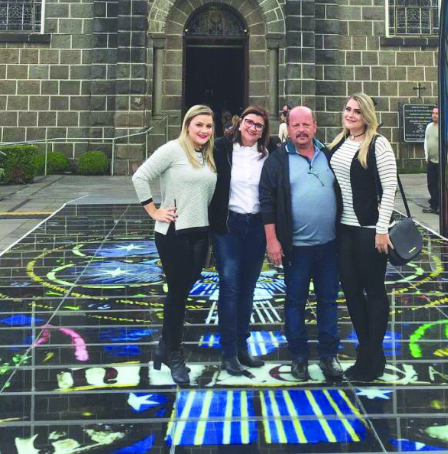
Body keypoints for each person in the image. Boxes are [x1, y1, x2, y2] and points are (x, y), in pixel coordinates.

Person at [132, 105, 217, 386]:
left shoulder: (206, 156)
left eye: (209, 126)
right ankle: (175, 354)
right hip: (173, 233)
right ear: (187, 126)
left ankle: (164, 346)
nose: (204, 130)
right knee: (178, 294)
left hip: (199, 234)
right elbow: (140, 176)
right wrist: (153, 210)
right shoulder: (172, 149)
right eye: (199, 125)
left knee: (181, 291)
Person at [259, 106, 343, 382]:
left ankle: (329, 356)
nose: (301, 130)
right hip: (296, 248)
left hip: (329, 246)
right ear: (288, 127)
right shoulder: (277, 159)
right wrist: (272, 240)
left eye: (306, 124)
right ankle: (298, 358)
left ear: (315, 126)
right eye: (296, 125)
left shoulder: (329, 155)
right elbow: (267, 201)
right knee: (295, 302)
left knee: (328, 302)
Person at [328, 93, 397, 382]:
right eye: (348, 109)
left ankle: (373, 354)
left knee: (375, 291)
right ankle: (366, 352)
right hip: (343, 229)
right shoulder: (338, 143)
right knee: (352, 292)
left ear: (367, 116)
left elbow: (390, 186)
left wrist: (382, 229)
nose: (351, 114)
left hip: (369, 230)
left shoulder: (377, 143)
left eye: (357, 111)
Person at [210, 105, 271, 375]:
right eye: (249, 122)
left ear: (263, 131)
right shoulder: (221, 148)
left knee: (248, 290)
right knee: (230, 287)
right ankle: (229, 352)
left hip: (256, 227)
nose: (253, 127)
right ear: (240, 122)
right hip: (229, 226)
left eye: (259, 125)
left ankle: (243, 347)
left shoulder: (268, 154)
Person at [423, 106, 439, 215]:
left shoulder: (443, 127)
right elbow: (426, 141)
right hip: (431, 161)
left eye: (437, 113)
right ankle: (434, 205)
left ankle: (438, 205)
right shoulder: (429, 126)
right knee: (431, 184)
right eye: (433, 113)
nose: (434, 115)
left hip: (441, 162)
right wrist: (426, 156)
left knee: (439, 185)